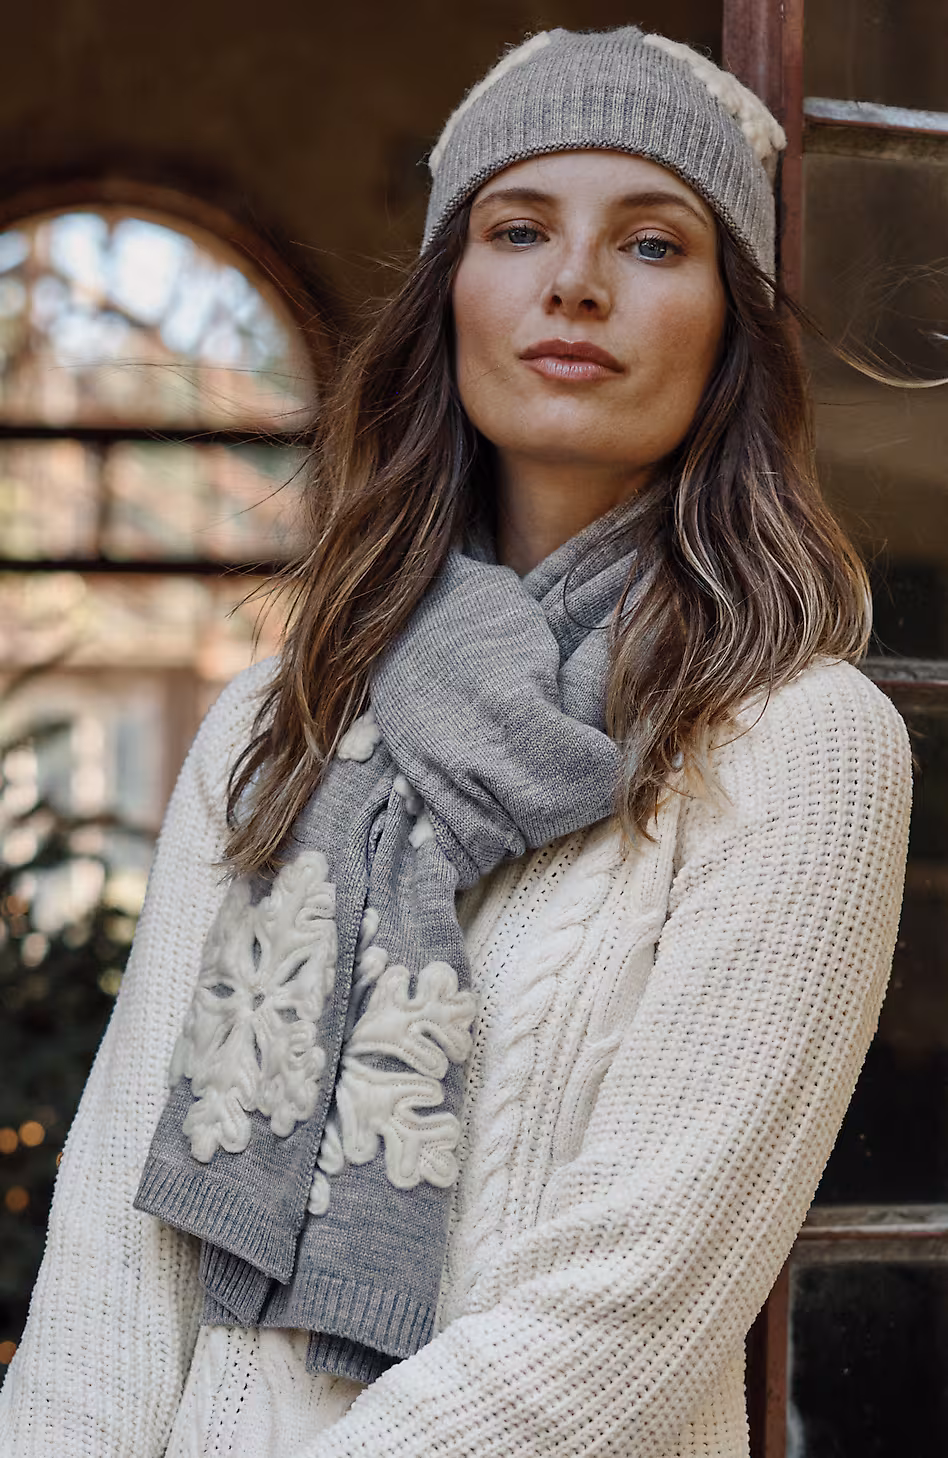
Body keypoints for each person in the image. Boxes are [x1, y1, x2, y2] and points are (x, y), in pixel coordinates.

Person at [0, 25, 912, 1458]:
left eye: (655, 243)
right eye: (520, 225)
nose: (576, 281)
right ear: (453, 293)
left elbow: (630, 1302)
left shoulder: (801, 749)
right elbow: (121, 1234)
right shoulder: (277, 720)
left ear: (732, 325)